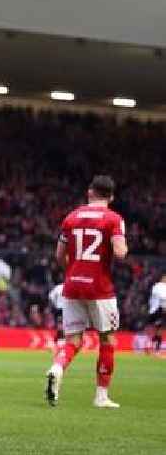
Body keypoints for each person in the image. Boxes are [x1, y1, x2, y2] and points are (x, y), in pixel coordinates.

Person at [45, 175, 128, 408]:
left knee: (73, 339)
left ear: (90, 192)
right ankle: (101, 395)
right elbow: (120, 252)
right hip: (100, 288)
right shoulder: (114, 219)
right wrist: (123, 247)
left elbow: (59, 256)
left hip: (72, 285)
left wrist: (73, 269)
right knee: (107, 338)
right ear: (111, 197)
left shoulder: (71, 218)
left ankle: (57, 367)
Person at [147, 275, 166, 353]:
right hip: (157, 310)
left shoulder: (161, 287)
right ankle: (151, 346)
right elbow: (163, 297)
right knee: (155, 329)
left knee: (160, 329)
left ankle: (155, 347)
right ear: (162, 278)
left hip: (161, 311)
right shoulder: (157, 286)